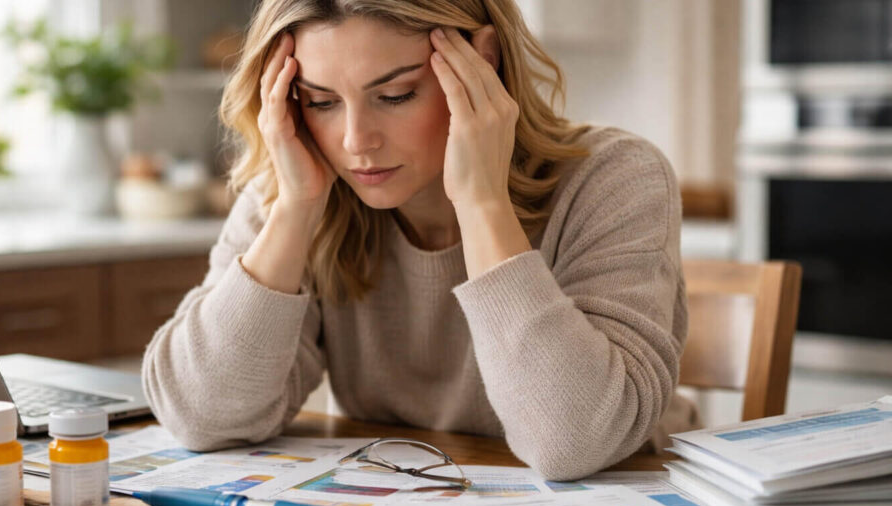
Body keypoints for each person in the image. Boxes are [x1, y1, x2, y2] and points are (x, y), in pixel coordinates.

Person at [142, 0, 699, 481]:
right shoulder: (296, 185)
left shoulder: (616, 176)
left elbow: (574, 442)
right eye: (321, 102)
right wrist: (294, 211)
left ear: (481, 62)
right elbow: (199, 415)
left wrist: (481, 203)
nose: (357, 141)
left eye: (398, 94)